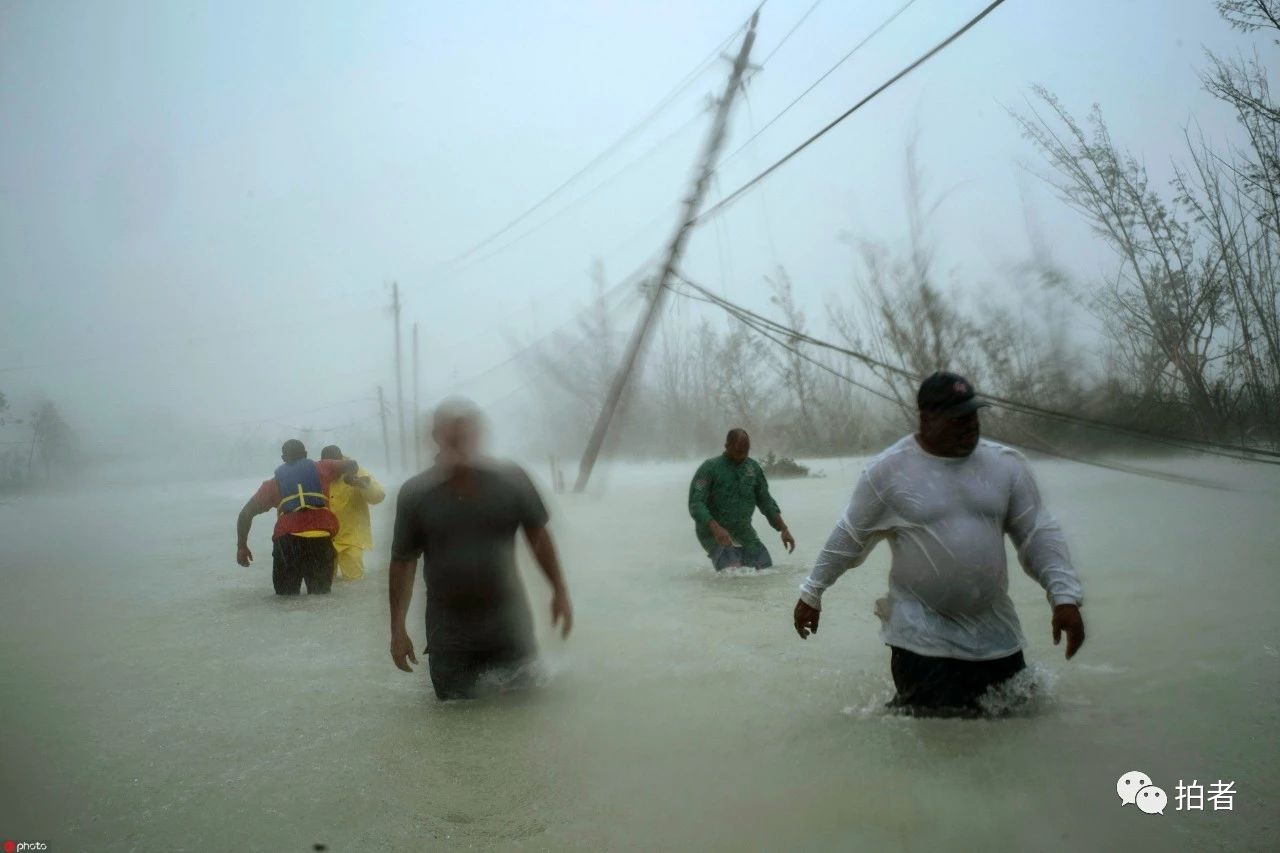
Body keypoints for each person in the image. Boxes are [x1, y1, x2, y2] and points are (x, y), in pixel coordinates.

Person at [792, 372, 1086, 717]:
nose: (969, 426)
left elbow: (1037, 533)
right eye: (957, 419)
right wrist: (812, 593)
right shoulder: (888, 472)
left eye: (973, 416)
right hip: (920, 639)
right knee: (938, 741)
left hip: (995, 636)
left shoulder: (1005, 465)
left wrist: (1064, 596)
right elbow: (848, 537)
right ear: (926, 418)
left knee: (1017, 729)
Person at [388, 398, 573, 701]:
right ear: (436, 437)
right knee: (454, 729)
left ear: (478, 436)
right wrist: (397, 629)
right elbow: (403, 561)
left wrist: (560, 591)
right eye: (451, 435)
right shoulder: (416, 493)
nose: (460, 441)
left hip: (510, 630)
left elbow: (538, 537)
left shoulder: (511, 481)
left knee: (524, 727)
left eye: (467, 434)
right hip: (449, 639)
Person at [236, 439, 358, 595]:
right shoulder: (324, 467)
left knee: (286, 600)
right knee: (320, 598)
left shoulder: (271, 485)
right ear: (306, 455)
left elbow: (245, 514)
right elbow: (352, 464)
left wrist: (242, 546)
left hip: (288, 543)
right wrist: (350, 475)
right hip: (320, 542)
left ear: (283, 459)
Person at [688, 428, 796, 570]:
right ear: (727, 446)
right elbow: (696, 504)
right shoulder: (710, 468)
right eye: (738, 451)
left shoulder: (752, 469)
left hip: (743, 531)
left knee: (765, 568)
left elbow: (765, 501)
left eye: (746, 451)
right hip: (713, 533)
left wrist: (783, 528)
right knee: (733, 574)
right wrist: (715, 528)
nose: (742, 456)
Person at [319, 444, 385, 581]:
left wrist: (363, 485)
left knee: (354, 585)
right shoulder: (318, 473)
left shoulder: (356, 471)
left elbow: (378, 496)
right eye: (330, 466)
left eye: (336, 465)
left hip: (351, 539)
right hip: (324, 539)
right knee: (323, 585)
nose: (333, 469)